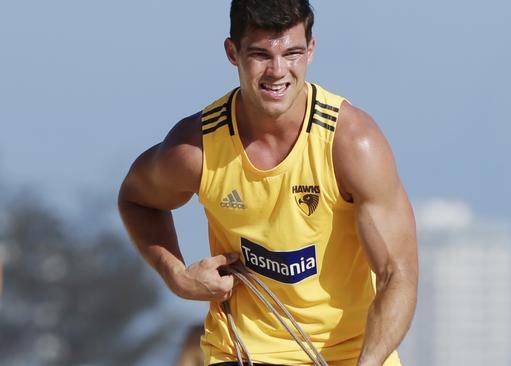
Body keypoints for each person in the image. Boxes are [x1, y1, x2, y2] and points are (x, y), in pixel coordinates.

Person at [117, 1, 418, 365]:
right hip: (241, 352)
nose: (277, 72)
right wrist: (176, 276)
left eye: (292, 53)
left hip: (352, 356)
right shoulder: (196, 148)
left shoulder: (352, 143)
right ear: (233, 53)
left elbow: (397, 275)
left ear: (311, 49)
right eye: (261, 55)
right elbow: (137, 199)